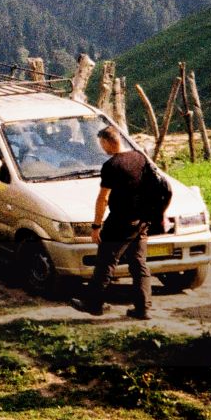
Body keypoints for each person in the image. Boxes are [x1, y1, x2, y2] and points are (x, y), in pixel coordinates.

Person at [72, 125, 152, 320]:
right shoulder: (140, 157)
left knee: (106, 263)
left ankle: (93, 304)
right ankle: (143, 309)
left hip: (120, 222)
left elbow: (103, 198)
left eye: (101, 144)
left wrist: (96, 226)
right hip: (140, 220)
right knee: (139, 263)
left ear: (107, 141)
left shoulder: (111, 166)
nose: (101, 148)